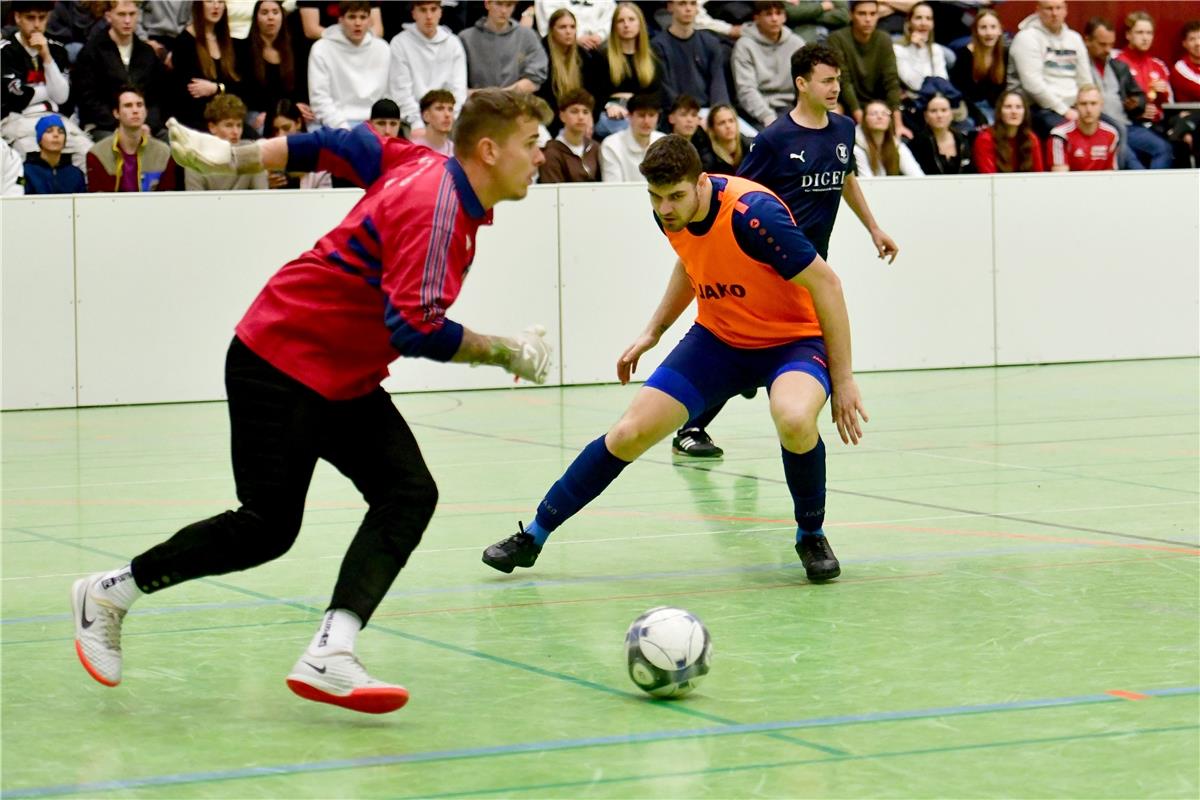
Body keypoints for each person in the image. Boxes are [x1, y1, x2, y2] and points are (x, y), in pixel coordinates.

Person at [73, 89, 555, 713]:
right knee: (268, 526)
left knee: (407, 493)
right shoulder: (435, 206)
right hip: (279, 359)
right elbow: (414, 326)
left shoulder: (427, 168)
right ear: (489, 151)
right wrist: (503, 351)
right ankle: (109, 592)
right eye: (531, 145)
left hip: (337, 375)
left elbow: (347, 144)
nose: (539, 159)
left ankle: (331, 651)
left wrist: (234, 155)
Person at [481, 133, 867, 585]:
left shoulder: (753, 215)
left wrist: (844, 380)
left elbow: (827, 285)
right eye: (656, 197)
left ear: (702, 183)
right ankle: (534, 535)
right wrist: (652, 332)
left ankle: (811, 534)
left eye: (676, 196)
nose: (665, 208)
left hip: (793, 340)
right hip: (719, 340)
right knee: (628, 433)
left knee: (795, 418)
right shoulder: (669, 214)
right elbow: (691, 263)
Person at [672, 42, 898, 459]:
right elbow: (740, 195)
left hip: (810, 266)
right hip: (768, 265)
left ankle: (779, 410)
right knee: (747, 346)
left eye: (838, 80)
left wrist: (873, 227)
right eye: (826, 80)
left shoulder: (845, 129)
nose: (834, 88)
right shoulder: (774, 139)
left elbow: (846, 178)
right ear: (801, 83)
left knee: (779, 351)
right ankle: (691, 427)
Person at [1, 0, 94, 168]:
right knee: (25, 153)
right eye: (30, 18)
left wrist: (46, 56)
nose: (36, 25)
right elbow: (19, 98)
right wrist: (49, 90)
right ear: (17, 18)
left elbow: (61, 97)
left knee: (88, 152)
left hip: (57, 120)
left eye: (42, 18)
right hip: (20, 121)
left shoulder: (57, 50)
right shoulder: (5, 51)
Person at [73, 0, 168, 137]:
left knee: (169, 143)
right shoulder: (91, 52)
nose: (128, 20)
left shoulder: (147, 53)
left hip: (144, 127)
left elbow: (158, 96)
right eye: (121, 14)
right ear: (108, 16)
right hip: (106, 127)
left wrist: (148, 124)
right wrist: (120, 125)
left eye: (132, 14)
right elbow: (88, 99)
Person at [1006, 0, 1091, 139]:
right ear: (1038, 10)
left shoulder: (1074, 38)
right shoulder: (1026, 38)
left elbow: (1086, 80)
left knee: (1115, 130)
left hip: (1075, 106)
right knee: (1069, 134)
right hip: (1039, 108)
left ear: (1065, 10)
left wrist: (1088, 106)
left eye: (1058, 8)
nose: (1054, 13)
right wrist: (1065, 111)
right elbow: (1032, 85)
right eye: (1049, 9)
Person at [826, 0, 907, 138]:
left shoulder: (884, 39)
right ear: (851, 15)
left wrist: (898, 124)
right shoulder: (837, 39)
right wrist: (860, 117)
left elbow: (891, 81)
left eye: (872, 14)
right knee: (832, 113)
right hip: (845, 102)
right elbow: (844, 81)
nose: (868, 19)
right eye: (862, 14)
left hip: (876, 104)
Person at [388, 0, 468, 137]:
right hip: (413, 120)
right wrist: (416, 123)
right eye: (423, 10)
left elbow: (459, 89)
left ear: (440, 12)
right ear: (414, 13)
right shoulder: (400, 43)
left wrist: (450, 117)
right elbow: (401, 91)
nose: (429, 16)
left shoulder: (453, 43)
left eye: (433, 9)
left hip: (449, 119)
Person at [307, 0, 390, 130]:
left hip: (375, 124)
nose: (358, 23)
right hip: (334, 124)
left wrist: (382, 125)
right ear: (340, 20)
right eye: (352, 17)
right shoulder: (321, 48)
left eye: (363, 17)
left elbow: (390, 95)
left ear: (369, 21)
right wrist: (343, 128)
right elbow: (319, 100)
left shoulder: (382, 48)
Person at [586, 2, 661, 139]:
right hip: (611, 115)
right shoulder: (602, 56)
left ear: (640, 24)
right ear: (614, 26)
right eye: (621, 21)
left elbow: (656, 92)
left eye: (631, 20)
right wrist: (609, 105)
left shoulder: (652, 57)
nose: (626, 25)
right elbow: (593, 92)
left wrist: (634, 104)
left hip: (642, 113)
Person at [237, 0, 311, 136]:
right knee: (265, 130)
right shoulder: (243, 49)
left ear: (282, 17)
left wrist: (294, 108)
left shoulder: (297, 47)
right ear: (256, 18)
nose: (270, 17)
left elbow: (302, 85)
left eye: (275, 12)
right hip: (258, 111)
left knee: (314, 131)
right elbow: (247, 92)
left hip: (291, 109)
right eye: (264, 13)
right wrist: (272, 112)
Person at [86, 85, 178, 191]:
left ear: (146, 112)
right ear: (116, 113)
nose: (135, 110)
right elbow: (98, 201)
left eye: (139, 105)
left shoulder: (163, 153)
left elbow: (167, 200)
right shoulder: (97, 154)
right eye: (128, 105)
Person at [652, 0, 731, 121]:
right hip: (675, 114)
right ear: (670, 7)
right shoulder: (658, 46)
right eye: (682, 3)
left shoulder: (710, 42)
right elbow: (665, 89)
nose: (688, 9)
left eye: (693, 3)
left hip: (707, 113)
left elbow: (718, 84)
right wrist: (689, 115)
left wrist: (718, 112)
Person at [732, 0, 804, 131]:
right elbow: (746, 89)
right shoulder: (744, 46)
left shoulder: (797, 44)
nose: (774, 18)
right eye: (768, 14)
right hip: (754, 112)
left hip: (789, 108)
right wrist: (767, 116)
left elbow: (807, 83)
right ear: (757, 18)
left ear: (785, 17)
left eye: (778, 13)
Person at [459, 0, 548, 93]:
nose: (504, 10)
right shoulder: (466, 38)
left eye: (509, 5)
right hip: (477, 104)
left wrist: (501, 96)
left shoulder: (528, 37)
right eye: (499, 4)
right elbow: (456, 83)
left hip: (516, 103)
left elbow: (535, 78)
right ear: (487, 4)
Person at [184, 94, 269, 190]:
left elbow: (262, 194)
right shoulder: (195, 157)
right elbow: (195, 201)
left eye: (239, 125)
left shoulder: (252, 151)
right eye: (229, 125)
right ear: (212, 127)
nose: (235, 132)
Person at [949, 8, 1005, 127]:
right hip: (970, 108)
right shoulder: (965, 55)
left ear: (1000, 30)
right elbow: (959, 93)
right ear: (976, 31)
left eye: (993, 27)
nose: (989, 32)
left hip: (996, 107)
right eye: (983, 27)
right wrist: (978, 116)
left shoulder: (1005, 54)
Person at [538, 7, 589, 135]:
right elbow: (542, 96)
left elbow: (591, 93)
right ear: (551, 30)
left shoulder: (583, 56)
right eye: (562, 27)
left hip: (577, 116)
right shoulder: (541, 55)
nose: (568, 32)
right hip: (550, 118)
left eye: (572, 27)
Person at [1047, 84, 1118, 171]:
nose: (1088, 109)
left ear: (1101, 106)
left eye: (1093, 103)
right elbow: (1060, 179)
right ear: (1076, 106)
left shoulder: (1111, 134)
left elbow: (1110, 175)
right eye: (1083, 104)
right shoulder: (1059, 135)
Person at [264, 98, 330, 189]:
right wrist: (265, 186)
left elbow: (325, 197)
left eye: (286, 128)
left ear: (298, 123)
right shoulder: (263, 153)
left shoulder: (318, 154)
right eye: (275, 130)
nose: (280, 136)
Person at [973, 89, 1044, 173]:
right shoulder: (985, 139)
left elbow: (1038, 175)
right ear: (999, 111)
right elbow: (989, 178)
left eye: (1018, 107)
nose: (1014, 111)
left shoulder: (1031, 138)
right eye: (1008, 107)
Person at [599, 91, 665, 181]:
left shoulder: (665, 143)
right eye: (641, 115)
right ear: (629, 116)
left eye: (651, 115)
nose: (646, 121)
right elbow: (613, 189)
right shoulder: (611, 145)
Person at [539, 87, 600, 181]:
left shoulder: (595, 147)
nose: (581, 117)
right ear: (562, 116)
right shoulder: (551, 152)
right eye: (574, 111)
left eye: (585, 112)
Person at [892, 2, 948, 99]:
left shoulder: (936, 49)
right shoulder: (898, 49)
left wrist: (923, 48)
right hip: (914, 102)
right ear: (909, 22)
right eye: (918, 18)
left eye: (928, 18)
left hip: (936, 102)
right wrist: (921, 50)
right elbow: (917, 85)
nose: (924, 23)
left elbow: (943, 83)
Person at [908, 92, 972, 174]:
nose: (939, 115)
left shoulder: (964, 140)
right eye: (933, 111)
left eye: (944, 110)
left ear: (951, 114)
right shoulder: (917, 144)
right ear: (926, 116)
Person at [22, 113, 87, 194]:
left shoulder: (76, 174)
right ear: (39, 140)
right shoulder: (23, 172)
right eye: (49, 131)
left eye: (61, 132)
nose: (56, 135)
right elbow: (18, 195)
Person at [854, 98, 922, 175]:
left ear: (890, 120)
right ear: (864, 119)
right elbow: (867, 181)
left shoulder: (898, 146)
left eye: (884, 114)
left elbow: (917, 175)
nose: (879, 117)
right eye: (873, 114)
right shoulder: (856, 148)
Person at [534, 0, 615, 51]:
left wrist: (600, 35)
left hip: (598, 48)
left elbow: (611, 15)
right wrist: (576, 37)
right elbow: (549, 21)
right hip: (558, 50)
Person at [702, 103, 750, 173]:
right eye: (721, 123)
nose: (728, 126)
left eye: (731, 121)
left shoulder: (750, 147)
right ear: (712, 129)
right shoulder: (708, 159)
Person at [416, 90, 456, 156]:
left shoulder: (458, 153)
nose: (447, 114)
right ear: (426, 116)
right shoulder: (413, 150)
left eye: (450, 109)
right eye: (440, 109)